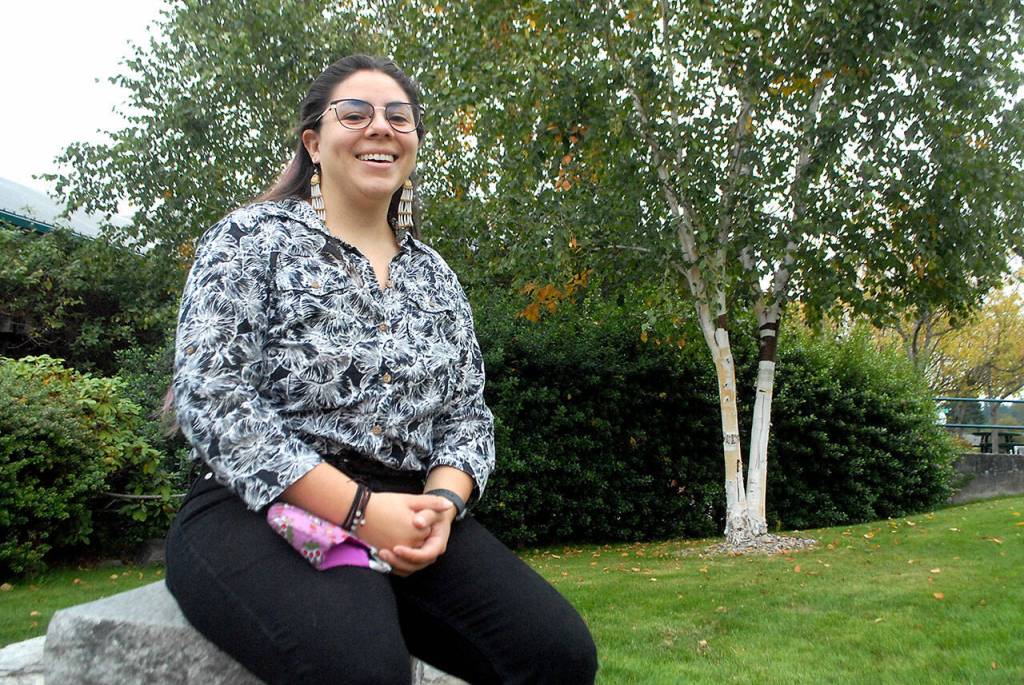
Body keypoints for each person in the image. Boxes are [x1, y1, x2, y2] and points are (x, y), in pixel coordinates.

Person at [165, 54, 598, 684]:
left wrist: (442, 503)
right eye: (354, 113)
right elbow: (215, 395)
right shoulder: (250, 240)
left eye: (399, 117)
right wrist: (359, 512)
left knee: (556, 654)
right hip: (259, 507)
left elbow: (467, 416)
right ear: (313, 143)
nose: (380, 127)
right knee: (363, 669)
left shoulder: (435, 276)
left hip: (406, 506)